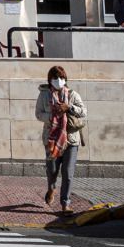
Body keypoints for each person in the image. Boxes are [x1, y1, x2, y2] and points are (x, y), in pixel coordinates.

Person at [37, 65, 86, 213]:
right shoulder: (44, 95)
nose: (59, 80)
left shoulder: (73, 95)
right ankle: (51, 188)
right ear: (50, 80)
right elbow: (38, 114)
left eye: (62, 78)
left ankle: (65, 203)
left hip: (71, 139)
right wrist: (51, 117)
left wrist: (69, 107)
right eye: (55, 78)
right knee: (52, 170)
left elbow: (83, 112)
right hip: (52, 139)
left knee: (68, 172)